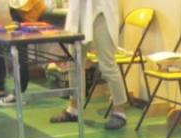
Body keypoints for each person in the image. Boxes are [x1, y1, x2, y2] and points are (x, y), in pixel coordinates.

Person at [50, 0, 127, 130]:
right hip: (80, 11)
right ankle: (74, 109)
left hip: (102, 10)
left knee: (107, 64)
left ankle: (119, 112)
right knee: (74, 62)